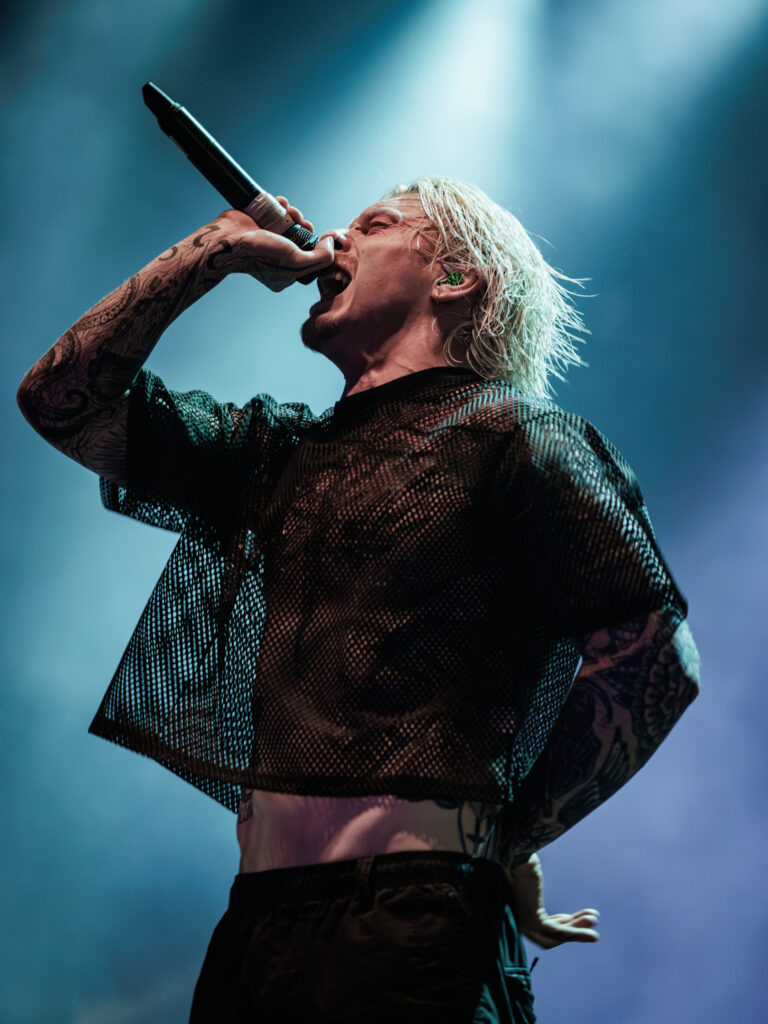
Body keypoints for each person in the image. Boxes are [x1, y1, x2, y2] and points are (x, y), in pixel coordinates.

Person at [17, 176, 700, 1023]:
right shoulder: (276, 451)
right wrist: (209, 253)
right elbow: (61, 401)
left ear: (454, 277)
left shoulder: (515, 437)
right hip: (256, 930)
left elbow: (653, 656)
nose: (336, 237)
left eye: (375, 224)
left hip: (414, 927)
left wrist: (510, 833)